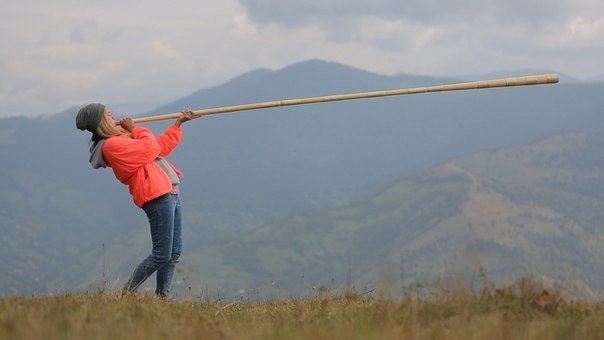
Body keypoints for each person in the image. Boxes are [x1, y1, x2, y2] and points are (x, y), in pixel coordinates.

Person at [75, 103, 196, 300]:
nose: (113, 115)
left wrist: (177, 125)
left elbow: (159, 148)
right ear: (101, 120)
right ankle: (127, 292)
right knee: (161, 254)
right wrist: (135, 129)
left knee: (174, 253)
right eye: (108, 113)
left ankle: (163, 296)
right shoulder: (111, 146)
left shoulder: (121, 137)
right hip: (156, 196)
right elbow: (150, 148)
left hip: (170, 191)